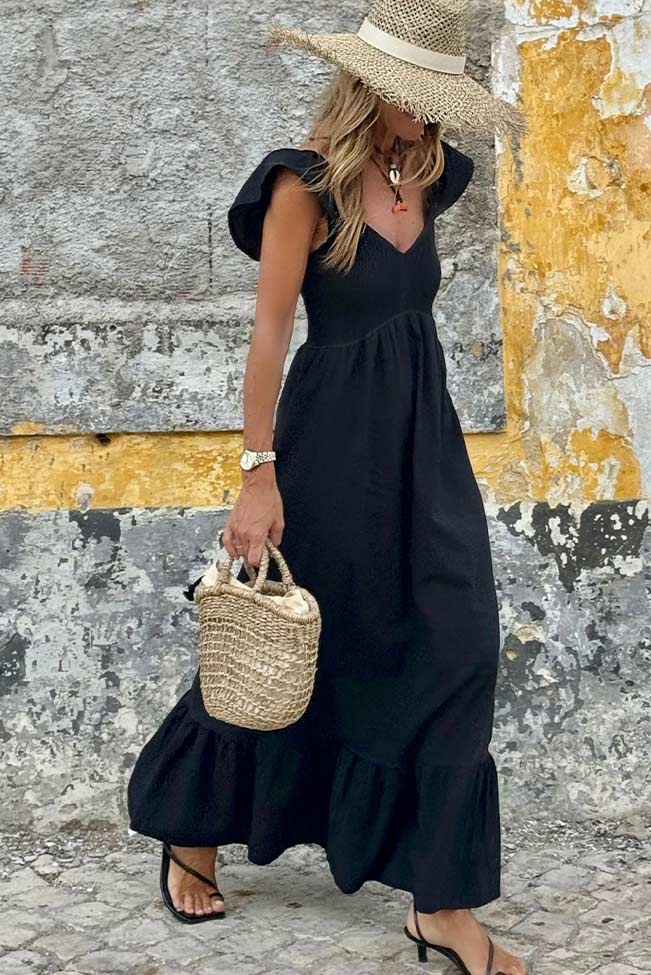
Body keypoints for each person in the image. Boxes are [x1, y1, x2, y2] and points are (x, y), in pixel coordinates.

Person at [127, 1, 527, 972]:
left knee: (461, 641)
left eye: (436, 99)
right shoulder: (301, 184)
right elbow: (269, 335)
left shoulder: (433, 173)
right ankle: (191, 830)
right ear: (369, 84)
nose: (425, 114)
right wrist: (255, 474)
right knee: (291, 645)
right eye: (411, 95)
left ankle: (440, 903)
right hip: (327, 448)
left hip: (424, 448)